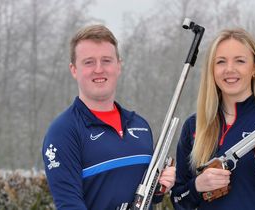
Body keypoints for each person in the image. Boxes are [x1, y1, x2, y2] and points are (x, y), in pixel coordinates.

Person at [170, 28, 255, 210]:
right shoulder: (194, 126)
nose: (229, 69)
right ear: (212, 69)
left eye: (240, 61)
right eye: (220, 62)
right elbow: (178, 201)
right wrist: (197, 186)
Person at [42, 24, 175, 210]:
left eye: (106, 60)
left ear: (118, 66)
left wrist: (159, 187)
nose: (99, 69)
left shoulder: (140, 126)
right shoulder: (62, 132)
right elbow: (69, 205)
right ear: (73, 69)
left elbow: (147, 198)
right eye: (89, 62)